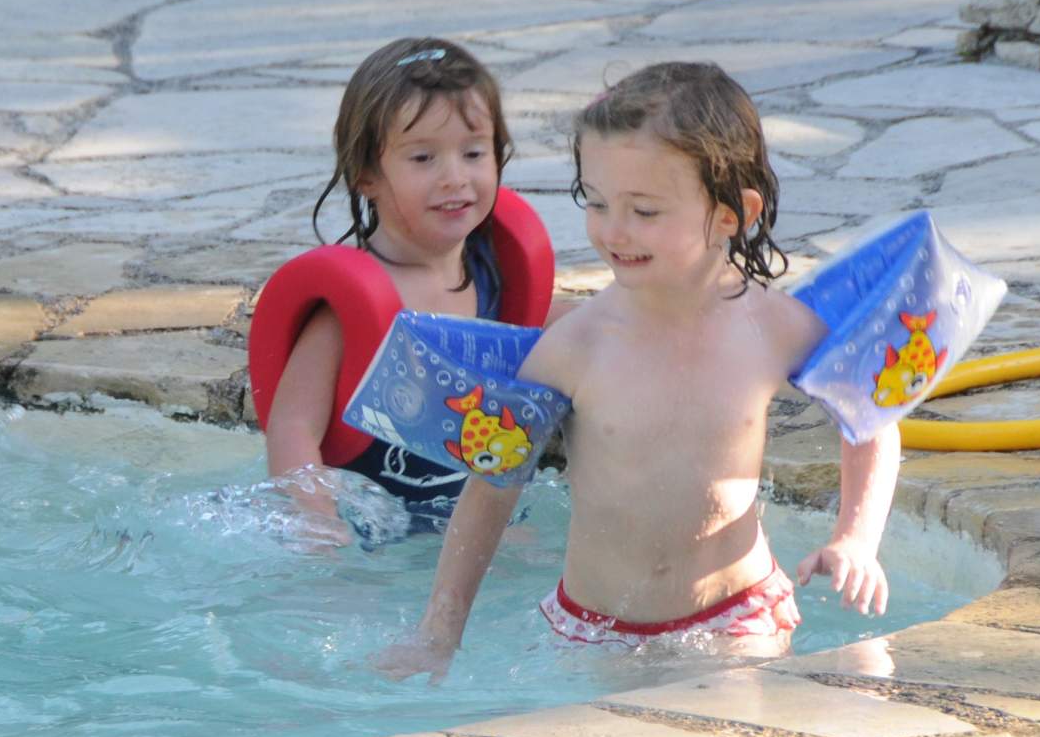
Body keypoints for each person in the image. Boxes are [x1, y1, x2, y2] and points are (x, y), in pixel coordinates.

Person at [392, 61, 898, 666]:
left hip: (737, 616)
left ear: (732, 214)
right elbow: (492, 486)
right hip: (592, 627)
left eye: (644, 211)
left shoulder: (772, 327)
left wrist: (855, 540)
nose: (614, 231)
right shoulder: (577, 344)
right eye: (598, 202)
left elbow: (870, 415)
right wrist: (438, 632)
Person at [251, 38, 554, 541]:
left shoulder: (493, 275)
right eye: (423, 158)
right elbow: (293, 429)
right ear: (368, 174)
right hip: (378, 540)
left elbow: (554, 331)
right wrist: (318, 531)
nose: (454, 177)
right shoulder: (350, 311)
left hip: (470, 521)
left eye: (474, 152)